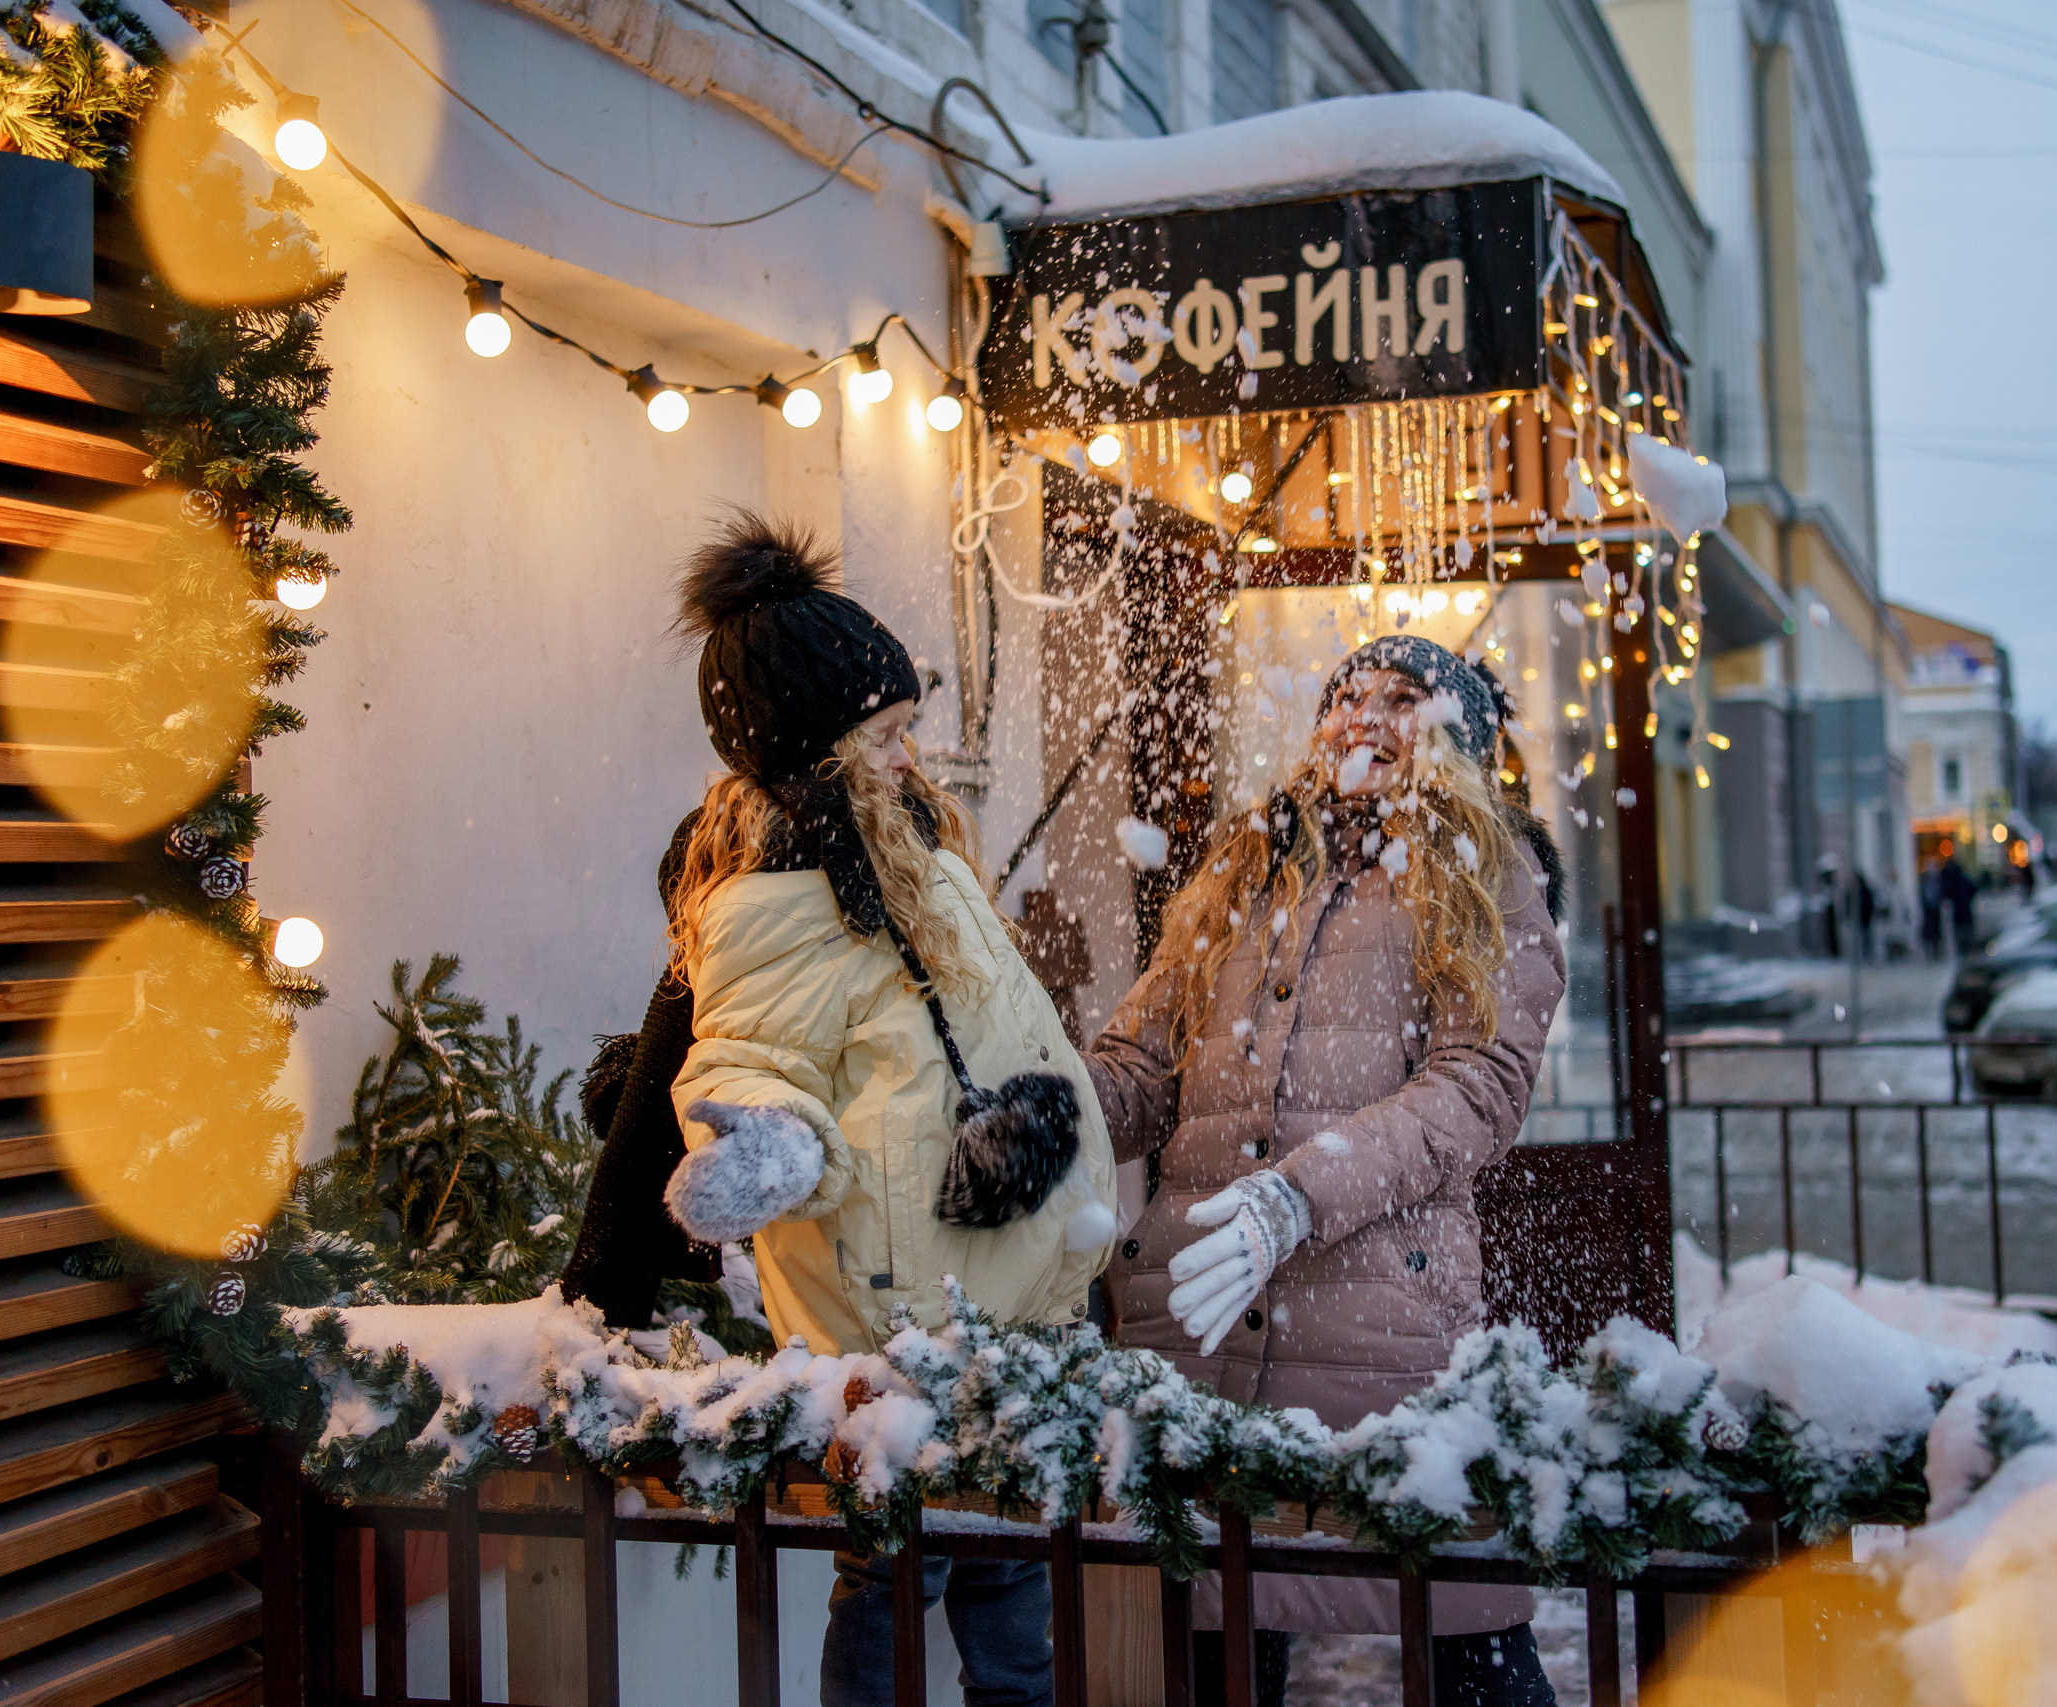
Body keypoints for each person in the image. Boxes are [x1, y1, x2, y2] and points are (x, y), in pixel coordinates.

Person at [656, 515, 1117, 1707]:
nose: (911, 757)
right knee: (896, 1589)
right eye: (888, 735)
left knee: (1010, 1582)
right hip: (908, 1326)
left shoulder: (913, 854)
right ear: (820, 750)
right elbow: (749, 1052)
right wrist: (766, 1144)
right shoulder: (775, 904)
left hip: (1004, 1301)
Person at [1084, 635, 1569, 1707]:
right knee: (1208, 1637)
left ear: (1458, 740)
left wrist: (1299, 1193)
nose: (1365, 717)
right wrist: (1050, 1115)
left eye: (1404, 700)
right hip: (1196, 1311)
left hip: (1374, 1318)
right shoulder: (1241, 869)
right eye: (1347, 697)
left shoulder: (1489, 871)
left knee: (1459, 1626)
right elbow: (1142, 1065)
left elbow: (1479, 1083)